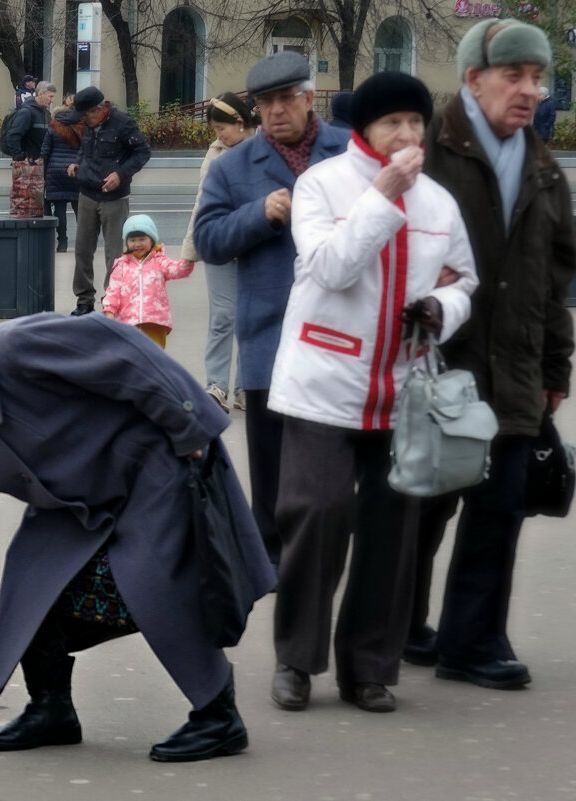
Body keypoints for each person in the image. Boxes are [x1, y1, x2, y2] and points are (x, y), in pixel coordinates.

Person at [0, 312, 274, 763]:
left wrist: (189, 423)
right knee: (32, 580)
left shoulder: (16, 348)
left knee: (150, 583)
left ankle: (218, 715)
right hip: (75, 507)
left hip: (153, 472)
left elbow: (124, 350)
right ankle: (51, 708)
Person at [268, 72, 479, 714]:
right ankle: (296, 660)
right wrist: (383, 196)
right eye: (394, 124)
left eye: (416, 124)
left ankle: (371, 666)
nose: (408, 135)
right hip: (323, 383)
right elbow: (330, 267)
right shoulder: (322, 186)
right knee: (320, 512)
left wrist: (443, 307)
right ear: (365, 130)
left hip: (403, 389)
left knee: (393, 528)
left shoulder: (440, 203)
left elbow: (464, 280)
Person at [405, 19, 576, 691]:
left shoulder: (543, 168)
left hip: (516, 368)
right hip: (440, 362)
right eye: (515, 75)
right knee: (425, 502)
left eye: (537, 77)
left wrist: (554, 372)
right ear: (475, 78)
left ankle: (473, 639)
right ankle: (401, 623)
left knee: (500, 505)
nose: (530, 89)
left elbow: (554, 282)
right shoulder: (430, 155)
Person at [192, 52, 349, 571]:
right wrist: (257, 215)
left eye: (286, 99)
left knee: (335, 465)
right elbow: (209, 239)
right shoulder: (234, 166)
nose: (276, 111)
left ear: (309, 98)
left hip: (341, 337)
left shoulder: (347, 151)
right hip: (269, 338)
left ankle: (326, 558)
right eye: (265, 102)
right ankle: (275, 566)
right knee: (273, 464)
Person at [180, 93, 258, 412]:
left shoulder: (265, 148)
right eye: (214, 129)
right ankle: (216, 385)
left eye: (221, 128)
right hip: (220, 244)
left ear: (240, 123)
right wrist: (191, 249)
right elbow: (202, 202)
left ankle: (245, 387)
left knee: (252, 318)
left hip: (256, 245)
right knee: (223, 316)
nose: (218, 135)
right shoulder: (216, 153)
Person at [65, 87, 151, 316]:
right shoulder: (87, 124)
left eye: (86, 116)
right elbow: (84, 149)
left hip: (114, 197)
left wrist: (120, 174)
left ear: (99, 110)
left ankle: (112, 300)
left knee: (114, 254)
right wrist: (78, 163)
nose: (84, 121)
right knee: (82, 249)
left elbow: (142, 152)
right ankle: (84, 299)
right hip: (87, 194)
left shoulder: (123, 122)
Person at [102, 215, 195, 348]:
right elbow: (113, 291)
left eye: (142, 239)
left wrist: (189, 258)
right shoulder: (122, 265)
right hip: (128, 322)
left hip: (155, 322)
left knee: (154, 358)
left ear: (151, 240)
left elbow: (177, 270)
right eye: (132, 240)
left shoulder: (160, 261)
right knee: (131, 357)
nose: (137, 244)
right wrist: (109, 311)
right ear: (127, 242)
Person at [40, 94, 83, 252]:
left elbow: (45, 150)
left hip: (55, 171)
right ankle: (83, 243)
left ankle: (62, 242)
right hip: (77, 170)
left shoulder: (54, 125)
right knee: (80, 209)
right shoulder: (82, 125)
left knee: (59, 209)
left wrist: (42, 172)